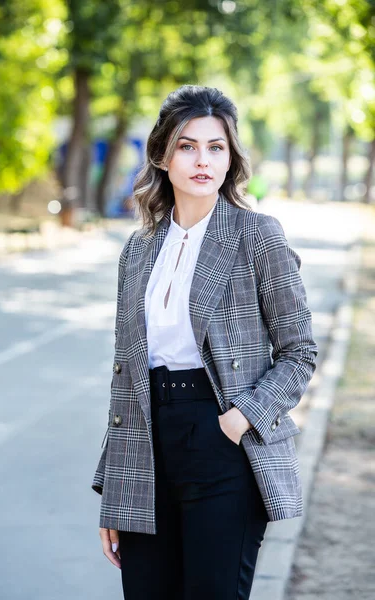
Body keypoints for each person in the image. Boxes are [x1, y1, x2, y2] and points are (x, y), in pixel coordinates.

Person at [91, 85, 318, 600]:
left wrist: (238, 421)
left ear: (231, 158)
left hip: (223, 441)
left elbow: (299, 351)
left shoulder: (256, 235)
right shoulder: (139, 248)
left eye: (216, 147)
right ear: (162, 156)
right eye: (188, 146)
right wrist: (114, 488)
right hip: (146, 447)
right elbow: (125, 377)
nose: (202, 159)